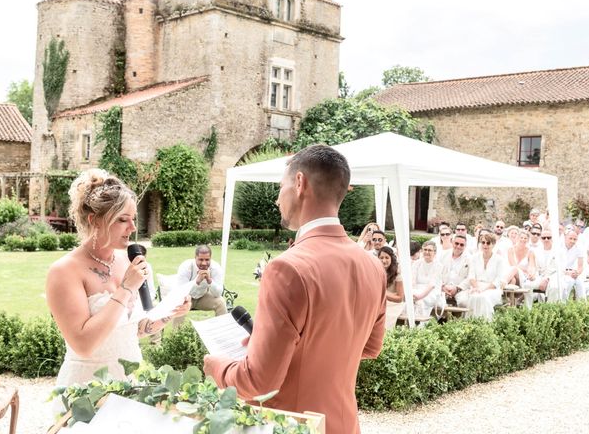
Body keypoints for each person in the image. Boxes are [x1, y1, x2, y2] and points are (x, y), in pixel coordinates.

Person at [204, 145, 386, 434]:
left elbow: (259, 382)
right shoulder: (374, 266)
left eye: (281, 187)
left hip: (292, 424)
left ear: (299, 183)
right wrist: (283, 347)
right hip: (344, 423)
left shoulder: (287, 268)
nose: (277, 199)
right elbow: (370, 347)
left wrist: (219, 367)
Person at [46, 169, 191, 390]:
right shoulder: (64, 271)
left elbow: (138, 329)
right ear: (95, 220)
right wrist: (126, 288)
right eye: (122, 220)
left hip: (131, 380)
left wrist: (170, 312)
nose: (132, 228)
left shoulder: (130, 263)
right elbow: (83, 344)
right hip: (87, 388)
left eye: (133, 219)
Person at [456, 231, 506, 320]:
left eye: (488, 243)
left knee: (482, 297)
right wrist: (476, 288)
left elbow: (498, 280)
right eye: (483, 242)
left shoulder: (499, 260)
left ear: (493, 244)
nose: (485, 245)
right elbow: (471, 276)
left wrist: (483, 289)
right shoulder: (474, 258)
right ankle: (472, 322)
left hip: (492, 289)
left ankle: (486, 323)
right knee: (475, 297)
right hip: (476, 287)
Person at [175, 244, 228, 317]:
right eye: (200, 259)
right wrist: (197, 282)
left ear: (210, 258)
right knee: (179, 303)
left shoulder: (216, 268)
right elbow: (181, 292)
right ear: (195, 258)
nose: (204, 263)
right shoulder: (185, 267)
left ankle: (221, 327)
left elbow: (218, 293)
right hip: (186, 298)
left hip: (203, 296)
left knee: (221, 302)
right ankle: (178, 329)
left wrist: (209, 281)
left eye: (207, 260)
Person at [411, 240, 444, 319]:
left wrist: (420, 296)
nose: (427, 252)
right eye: (425, 250)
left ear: (434, 252)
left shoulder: (438, 266)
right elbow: (412, 281)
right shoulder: (417, 263)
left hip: (431, 292)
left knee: (421, 302)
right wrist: (412, 293)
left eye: (429, 250)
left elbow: (432, 285)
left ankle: (420, 325)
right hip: (417, 290)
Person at [439, 233, 470, 305]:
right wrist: (442, 286)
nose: (458, 246)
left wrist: (457, 288)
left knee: (464, 302)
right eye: (456, 243)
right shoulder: (443, 255)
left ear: (465, 246)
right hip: (443, 287)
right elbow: (437, 273)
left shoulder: (470, 259)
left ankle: (457, 316)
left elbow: (470, 277)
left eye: (462, 245)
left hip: (460, 289)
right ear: (452, 243)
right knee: (435, 300)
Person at [379, 246, 404, 329]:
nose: (384, 260)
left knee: (385, 316)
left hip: (393, 304)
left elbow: (400, 298)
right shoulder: (375, 271)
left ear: (391, 259)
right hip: (379, 302)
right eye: (381, 258)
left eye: (387, 258)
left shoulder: (397, 273)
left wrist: (383, 293)